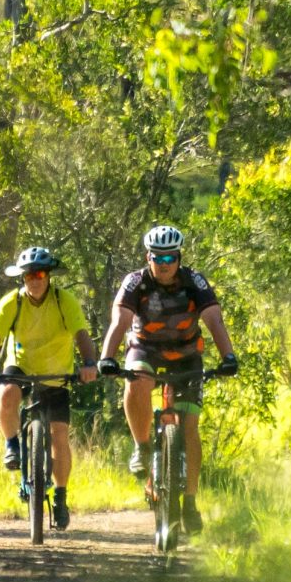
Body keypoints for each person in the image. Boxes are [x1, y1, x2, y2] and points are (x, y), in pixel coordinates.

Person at [97, 223, 239, 532]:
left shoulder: (194, 281)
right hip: (144, 349)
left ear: (179, 257)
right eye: (157, 258)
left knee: (189, 427)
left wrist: (228, 356)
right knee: (136, 380)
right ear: (148, 257)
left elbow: (213, 318)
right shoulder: (135, 282)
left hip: (187, 354)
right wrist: (107, 357)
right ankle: (142, 445)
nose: (164, 265)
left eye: (170, 258)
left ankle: (189, 502)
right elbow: (120, 320)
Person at [0, 246, 99, 531]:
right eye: (29, 275)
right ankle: (12, 445)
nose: (35, 280)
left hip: (57, 373)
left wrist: (90, 363)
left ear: (49, 275)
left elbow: (81, 335)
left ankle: (61, 495)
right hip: (23, 366)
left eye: (40, 274)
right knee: (6, 392)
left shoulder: (64, 300)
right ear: (22, 278)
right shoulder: (11, 303)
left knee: (60, 436)